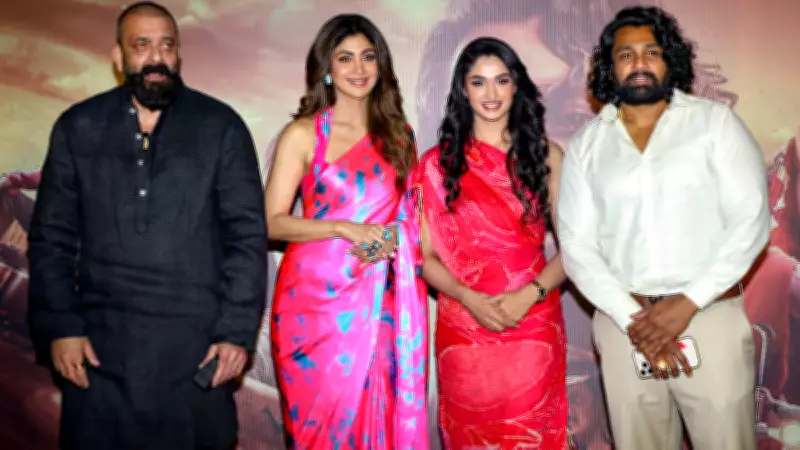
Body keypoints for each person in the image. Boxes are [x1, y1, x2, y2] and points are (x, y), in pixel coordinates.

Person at [26, 2, 268, 449]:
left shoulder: (221, 127)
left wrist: (235, 334)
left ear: (179, 54)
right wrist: (60, 325)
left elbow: (247, 239)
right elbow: (51, 238)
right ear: (119, 56)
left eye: (166, 45)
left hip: (195, 348)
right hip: (99, 347)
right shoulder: (79, 126)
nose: (157, 57)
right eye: (142, 45)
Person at [557, 6, 769, 450]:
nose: (639, 63)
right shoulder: (587, 145)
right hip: (623, 325)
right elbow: (576, 246)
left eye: (650, 52)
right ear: (609, 66)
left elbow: (750, 222)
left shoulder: (715, 124)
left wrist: (686, 304)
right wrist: (635, 319)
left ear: (669, 59)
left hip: (708, 317)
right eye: (625, 54)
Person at [265, 13, 429, 449]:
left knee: (378, 419)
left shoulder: (400, 137)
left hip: (379, 303)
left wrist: (390, 240)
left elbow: (412, 219)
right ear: (327, 68)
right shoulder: (304, 134)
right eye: (345, 58)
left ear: (381, 65)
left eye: (368, 57)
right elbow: (272, 221)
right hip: (311, 308)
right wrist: (341, 227)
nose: (358, 68)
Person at [415, 37, 568, 449]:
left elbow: (575, 250)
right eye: (478, 82)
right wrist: (468, 298)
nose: (491, 93)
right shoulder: (435, 165)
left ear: (516, 85)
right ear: (463, 90)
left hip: (532, 321)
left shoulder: (546, 156)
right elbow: (424, 257)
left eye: (501, 80)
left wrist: (529, 296)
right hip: (465, 326)